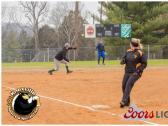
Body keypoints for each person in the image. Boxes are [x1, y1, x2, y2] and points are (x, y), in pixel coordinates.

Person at [120, 38, 147, 108]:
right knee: (124, 86)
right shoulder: (128, 51)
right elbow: (124, 59)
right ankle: (127, 103)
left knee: (128, 84)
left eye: (130, 44)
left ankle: (124, 100)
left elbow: (144, 64)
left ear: (133, 45)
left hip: (136, 73)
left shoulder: (140, 53)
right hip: (127, 72)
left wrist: (138, 70)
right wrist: (123, 60)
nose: (130, 45)